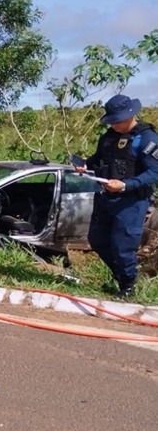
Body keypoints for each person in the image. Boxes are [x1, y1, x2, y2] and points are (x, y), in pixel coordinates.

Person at [74, 94, 158, 297]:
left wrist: (125, 185)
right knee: (98, 239)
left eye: (117, 121)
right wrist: (85, 165)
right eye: (111, 121)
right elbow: (96, 160)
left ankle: (128, 286)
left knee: (123, 246)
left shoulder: (146, 139)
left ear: (130, 116)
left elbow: (154, 172)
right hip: (105, 197)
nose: (114, 125)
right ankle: (120, 275)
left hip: (131, 201)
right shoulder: (108, 137)